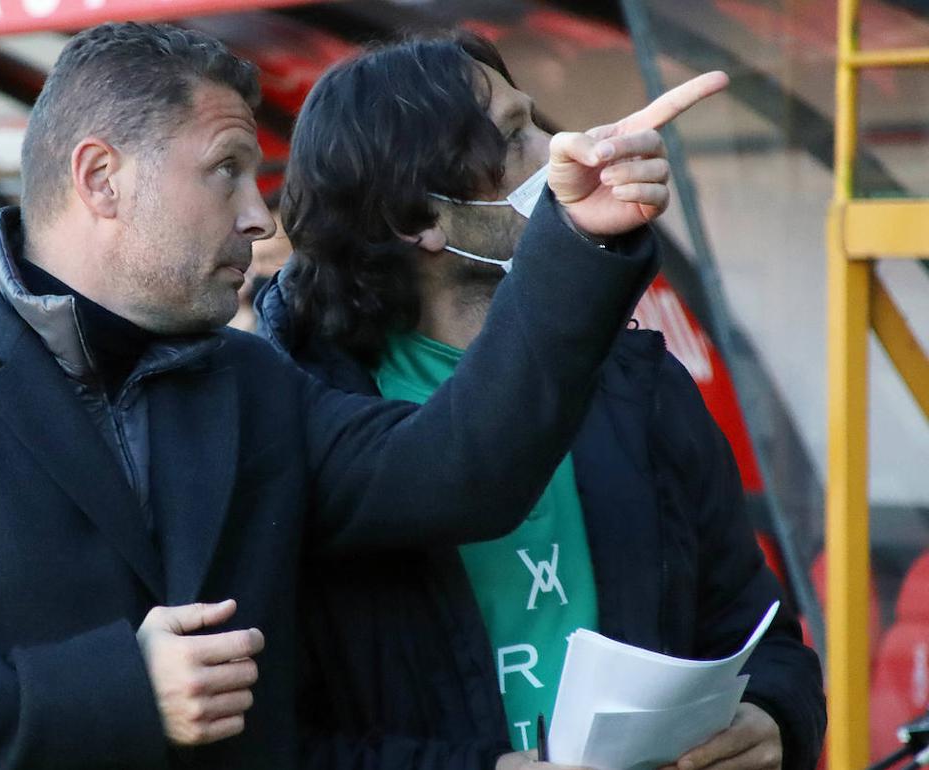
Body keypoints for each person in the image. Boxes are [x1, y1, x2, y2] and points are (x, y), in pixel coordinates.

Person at [0, 21, 683, 769]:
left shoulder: (249, 383)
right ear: (101, 179)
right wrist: (122, 689)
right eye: (226, 170)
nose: (260, 215)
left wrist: (579, 240)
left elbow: (461, 475)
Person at [254, 32, 825, 770]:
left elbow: (760, 633)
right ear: (415, 220)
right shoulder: (304, 418)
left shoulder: (637, 387)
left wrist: (775, 717)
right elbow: (278, 743)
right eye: (515, 135)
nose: (558, 149)